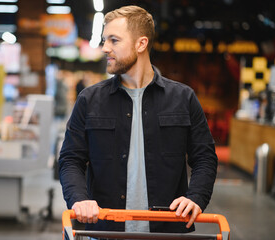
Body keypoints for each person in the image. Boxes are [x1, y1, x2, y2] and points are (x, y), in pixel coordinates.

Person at [59, 5, 217, 234]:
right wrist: (79, 199)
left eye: (114, 40)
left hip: (167, 232)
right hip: (106, 232)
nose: (105, 48)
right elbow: (70, 159)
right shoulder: (89, 100)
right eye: (105, 40)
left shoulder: (183, 98)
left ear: (141, 44)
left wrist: (196, 198)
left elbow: (204, 158)